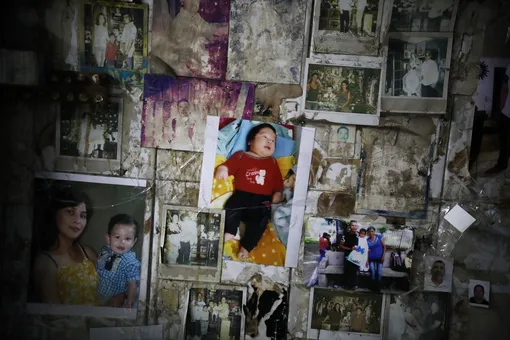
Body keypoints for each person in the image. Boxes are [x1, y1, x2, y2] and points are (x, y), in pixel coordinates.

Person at [215, 123, 284, 260]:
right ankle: (230, 231)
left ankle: (246, 247)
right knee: (231, 206)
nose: (269, 141)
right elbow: (228, 166)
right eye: (264, 137)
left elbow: (278, 182)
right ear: (250, 141)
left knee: (261, 221)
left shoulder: (273, 162)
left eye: (273, 141)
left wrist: (278, 193)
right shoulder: (241, 156)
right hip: (241, 196)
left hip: (261, 201)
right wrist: (223, 169)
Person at [31, 187, 98, 305]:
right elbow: (54, 316)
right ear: (54, 214)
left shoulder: (88, 253)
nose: (78, 220)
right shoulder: (45, 262)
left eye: (83, 216)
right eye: (70, 212)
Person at [164, 0, 228, 76]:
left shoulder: (194, 16)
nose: (194, 2)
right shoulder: (180, 23)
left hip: (198, 65)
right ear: (182, 1)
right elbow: (183, 60)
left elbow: (212, 31)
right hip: (189, 72)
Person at [96, 214, 141, 308]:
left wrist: (129, 302)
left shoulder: (130, 262)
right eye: (117, 237)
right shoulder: (106, 251)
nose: (122, 242)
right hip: (98, 294)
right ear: (108, 238)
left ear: (133, 242)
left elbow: (132, 284)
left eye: (127, 238)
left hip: (114, 300)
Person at [486, 65, 510, 175]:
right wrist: (501, 106)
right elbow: (504, 86)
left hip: (506, 110)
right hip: (507, 111)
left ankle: (502, 165)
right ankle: (501, 164)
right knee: (504, 140)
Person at [339, 220, 359, 289]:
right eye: (352, 225)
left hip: (356, 256)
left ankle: (353, 286)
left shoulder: (358, 235)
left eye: (356, 225)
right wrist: (350, 249)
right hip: (347, 255)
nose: (354, 227)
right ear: (350, 226)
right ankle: (346, 286)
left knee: (354, 271)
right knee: (347, 271)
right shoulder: (345, 235)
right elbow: (341, 246)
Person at [366, 226, 386, 292]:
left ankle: (378, 287)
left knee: (379, 273)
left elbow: (384, 247)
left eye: (372, 231)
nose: (371, 233)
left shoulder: (380, 237)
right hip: (371, 258)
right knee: (373, 272)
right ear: (368, 233)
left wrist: (383, 256)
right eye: (369, 231)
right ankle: (373, 287)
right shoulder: (367, 240)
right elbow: (366, 250)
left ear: (374, 231)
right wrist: (367, 260)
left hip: (380, 258)